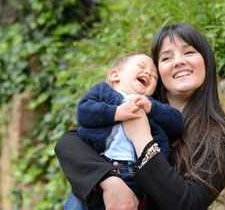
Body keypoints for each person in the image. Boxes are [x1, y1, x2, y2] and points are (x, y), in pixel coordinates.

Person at [55, 23, 225, 210]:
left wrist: (142, 140)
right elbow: (69, 142)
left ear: (207, 61)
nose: (178, 61)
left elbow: (187, 204)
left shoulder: (221, 138)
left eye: (189, 52)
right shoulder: (134, 102)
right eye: (167, 57)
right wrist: (109, 180)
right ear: (159, 70)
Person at [75, 53, 184, 209]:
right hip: (102, 167)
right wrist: (116, 113)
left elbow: (177, 123)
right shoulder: (102, 92)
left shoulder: (150, 105)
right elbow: (84, 112)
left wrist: (152, 108)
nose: (148, 73)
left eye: (154, 77)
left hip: (137, 174)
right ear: (115, 75)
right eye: (141, 67)